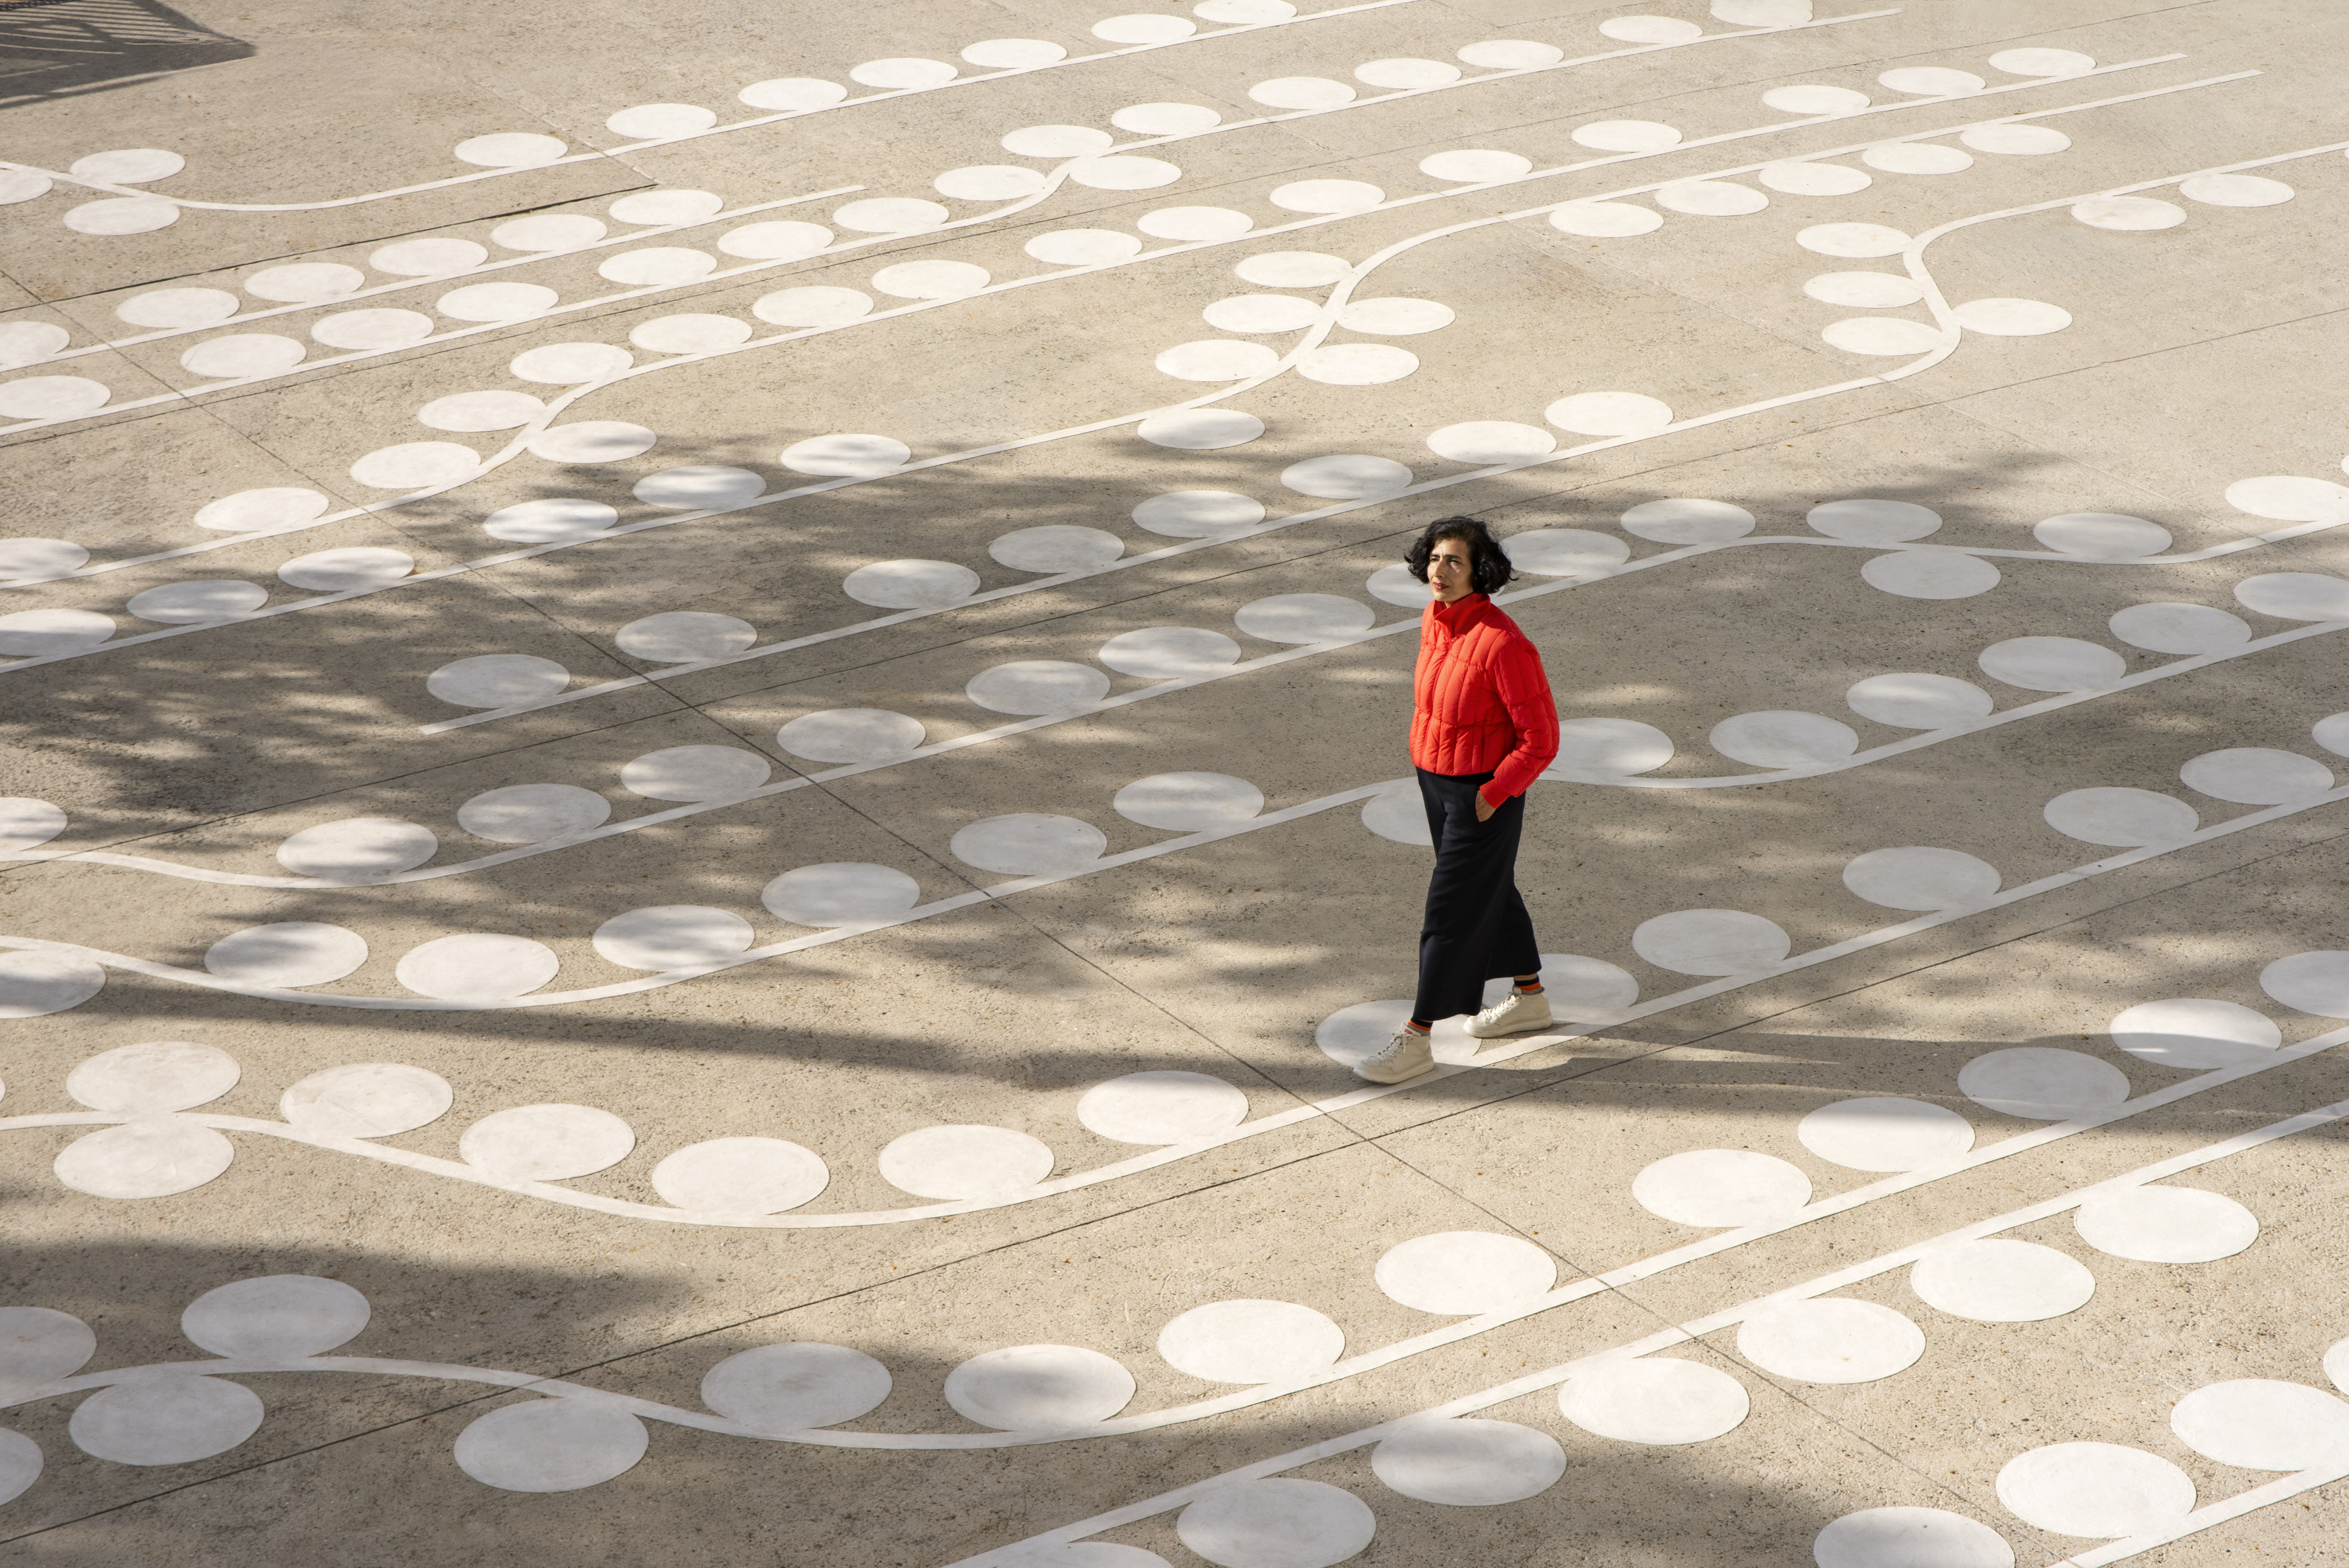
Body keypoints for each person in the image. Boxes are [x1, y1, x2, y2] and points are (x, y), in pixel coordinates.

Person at [1354, 516, 1561, 1084]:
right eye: (1434, 558)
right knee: (1490, 889)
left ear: (1480, 572)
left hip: (1481, 793)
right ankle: (1530, 998)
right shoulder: (1435, 620)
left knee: (1447, 913)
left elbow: (1541, 740)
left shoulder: (1503, 644)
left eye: (1454, 562)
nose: (1439, 571)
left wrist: (1493, 795)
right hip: (1437, 783)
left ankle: (1417, 1038)